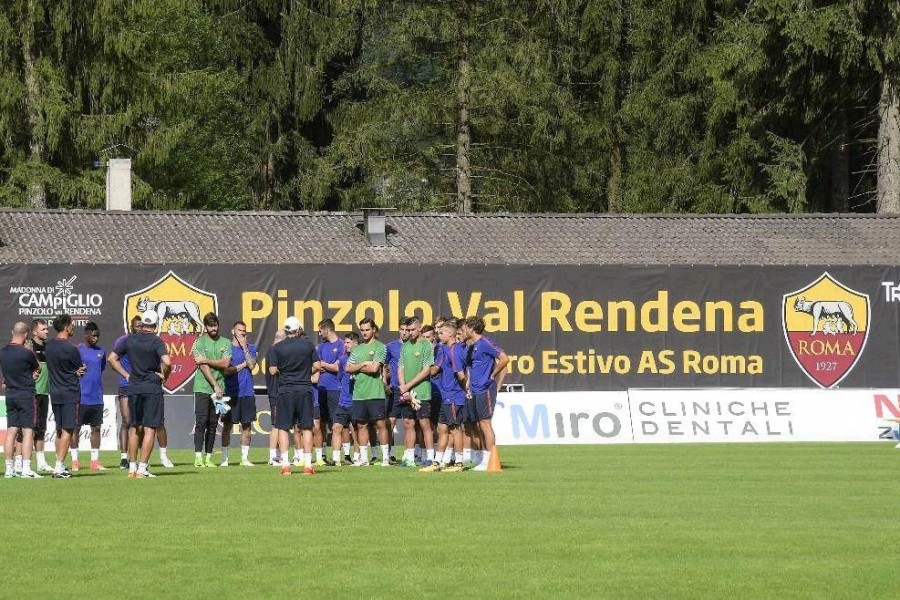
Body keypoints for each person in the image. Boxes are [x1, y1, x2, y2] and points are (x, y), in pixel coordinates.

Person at [108, 311, 171, 478]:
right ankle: (142, 468)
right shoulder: (156, 341)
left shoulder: (129, 339)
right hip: (151, 387)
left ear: (142, 324)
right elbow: (167, 361)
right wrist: (165, 375)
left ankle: (132, 468)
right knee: (150, 428)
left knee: (134, 427)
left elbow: (112, 358)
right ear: (156, 325)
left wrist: (126, 375)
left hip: (134, 387)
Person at [269, 317, 317, 476]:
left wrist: (286, 370)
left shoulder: (278, 348)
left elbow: (272, 371)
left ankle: (285, 465)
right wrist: (304, 372)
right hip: (304, 389)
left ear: (286, 330)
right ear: (299, 330)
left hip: (285, 391)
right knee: (306, 427)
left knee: (283, 427)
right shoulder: (308, 345)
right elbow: (317, 365)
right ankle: (308, 465)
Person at [464, 316, 509, 471]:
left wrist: (492, 374)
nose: (463, 331)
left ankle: (490, 458)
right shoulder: (472, 347)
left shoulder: (485, 343)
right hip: (475, 390)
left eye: (465, 328)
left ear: (471, 328)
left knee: (485, 423)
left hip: (485, 389)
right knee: (477, 423)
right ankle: (484, 457)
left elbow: (504, 359)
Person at [421, 320, 467, 472]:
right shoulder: (442, 349)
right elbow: (435, 369)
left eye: (441, 333)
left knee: (455, 429)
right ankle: (437, 462)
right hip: (445, 395)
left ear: (450, 333)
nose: (438, 335)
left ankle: (459, 463)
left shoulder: (455, 350)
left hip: (454, 395)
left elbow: (460, 374)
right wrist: (422, 369)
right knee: (442, 428)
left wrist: (466, 389)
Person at [45, 313, 86, 478]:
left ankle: (59, 465)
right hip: (69, 392)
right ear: (66, 326)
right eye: (72, 324)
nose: (73, 327)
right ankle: (59, 467)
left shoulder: (49, 347)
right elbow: (81, 369)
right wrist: (79, 371)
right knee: (68, 430)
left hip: (55, 392)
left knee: (60, 430)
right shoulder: (71, 349)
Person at [0, 322, 42, 478]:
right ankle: (26, 469)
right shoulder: (27, 352)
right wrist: (32, 374)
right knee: (28, 431)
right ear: (26, 335)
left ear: (12, 332)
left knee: (11, 431)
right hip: (25, 394)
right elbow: (38, 367)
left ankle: (9, 469)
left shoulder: (3, 352)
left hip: (10, 394)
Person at [347, 318, 390, 467]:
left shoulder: (380, 347)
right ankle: (364, 459)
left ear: (373, 330)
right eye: (362, 330)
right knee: (361, 425)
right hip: (359, 393)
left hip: (375, 393)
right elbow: (347, 367)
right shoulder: (357, 349)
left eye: (367, 329)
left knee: (380, 424)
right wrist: (365, 363)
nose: (365, 332)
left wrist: (358, 367)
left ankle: (385, 458)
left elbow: (374, 368)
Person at [191, 313, 232, 468]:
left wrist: (207, 359)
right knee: (201, 422)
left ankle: (208, 457)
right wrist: (215, 385)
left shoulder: (226, 342)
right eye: (210, 325)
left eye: (215, 325)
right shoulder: (199, 342)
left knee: (213, 424)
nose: (213, 328)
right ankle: (198, 457)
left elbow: (226, 363)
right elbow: (202, 367)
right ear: (205, 326)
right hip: (202, 388)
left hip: (219, 391)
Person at [397, 316, 435, 467]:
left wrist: (409, 385)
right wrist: (403, 387)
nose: (409, 332)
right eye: (407, 330)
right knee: (408, 423)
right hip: (406, 391)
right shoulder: (405, 346)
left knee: (425, 423)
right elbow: (400, 367)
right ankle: (409, 457)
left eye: (412, 329)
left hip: (422, 391)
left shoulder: (426, 345)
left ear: (420, 328)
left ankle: (430, 457)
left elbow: (426, 370)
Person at [222, 320, 257, 467]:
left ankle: (244, 458)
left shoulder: (251, 347)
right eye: (239, 330)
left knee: (247, 426)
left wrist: (244, 349)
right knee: (227, 426)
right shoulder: (226, 348)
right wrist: (243, 365)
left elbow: (253, 365)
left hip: (247, 392)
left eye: (244, 330)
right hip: (231, 393)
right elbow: (226, 371)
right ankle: (225, 459)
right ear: (233, 331)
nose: (242, 333)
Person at [74, 322, 106, 471]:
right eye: (93, 335)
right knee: (75, 429)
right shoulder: (78, 350)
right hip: (80, 397)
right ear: (86, 334)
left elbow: (102, 369)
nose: (96, 338)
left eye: (98, 335)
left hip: (96, 397)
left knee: (96, 429)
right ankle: (75, 461)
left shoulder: (101, 352)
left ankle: (94, 462)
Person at [24, 319, 52, 472]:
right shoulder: (28, 346)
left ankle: (41, 462)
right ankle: (20, 462)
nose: (47, 331)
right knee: (28, 429)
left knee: (41, 428)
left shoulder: (48, 347)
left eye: (47, 329)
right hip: (31, 392)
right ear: (35, 331)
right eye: (43, 329)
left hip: (44, 393)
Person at [315, 318, 343, 466]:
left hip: (336, 389)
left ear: (327, 329)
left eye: (320, 330)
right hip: (321, 389)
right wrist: (328, 366)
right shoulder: (320, 347)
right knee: (321, 423)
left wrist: (324, 365)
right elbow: (316, 366)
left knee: (337, 424)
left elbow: (339, 367)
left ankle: (338, 457)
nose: (319, 333)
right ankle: (322, 456)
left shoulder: (341, 345)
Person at [384, 318, 411, 462]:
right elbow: (384, 364)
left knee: (409, 422)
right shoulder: (391, 346)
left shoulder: (415, 346)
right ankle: (389, 452)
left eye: (408, 330)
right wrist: (384, 383)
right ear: (398, 330)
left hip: (411, 388)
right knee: (391, 421)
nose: (405, 333)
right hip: (395, 388)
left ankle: (409, 453)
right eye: (402, 329)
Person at [329, 332, 356, 465]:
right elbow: (340, 376)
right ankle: (336, 459)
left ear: (356, 343)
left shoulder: (360, 359)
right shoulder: (343, 359)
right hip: (343, 400)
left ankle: (357, 458)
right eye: (345, 342)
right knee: (336, 427)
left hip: (357, 401)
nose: (345, 345)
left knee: (357, 429)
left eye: (348, 342)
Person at [265, 329, 286, 465]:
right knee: (276, 425)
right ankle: (273, 457)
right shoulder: (274, 351)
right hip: (276, 392)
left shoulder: (273, 351)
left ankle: (277, 455)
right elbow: (273, 370)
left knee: (279, 424)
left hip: (279, 391)